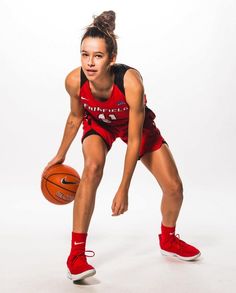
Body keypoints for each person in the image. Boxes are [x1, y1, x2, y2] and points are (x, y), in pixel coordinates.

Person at [43, 10, 200, 283]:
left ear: (112, 59)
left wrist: (124, 187)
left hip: (134, 127)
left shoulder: (130, 83)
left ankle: (168, 239)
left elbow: (135, 140)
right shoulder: (74, 81)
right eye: (84, 54)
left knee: (174, 188)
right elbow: (75, 116)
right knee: (92, 167)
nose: (89, 63)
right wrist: (59, 155)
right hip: (100, 123)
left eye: (98, 56)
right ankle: (76, 256)